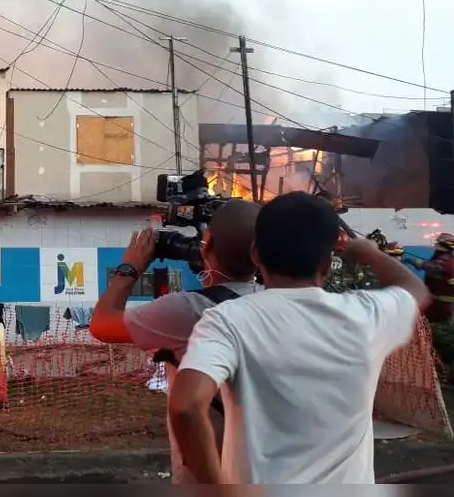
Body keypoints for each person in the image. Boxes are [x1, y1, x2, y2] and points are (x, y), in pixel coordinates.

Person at [169, 191, 431, 484]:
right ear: (328, 260)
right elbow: (416, 290)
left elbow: (186, 406)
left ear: (256, 254)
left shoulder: (229, 320)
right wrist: (369, 252)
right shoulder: (366, 315)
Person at [88, 199, 262, 484]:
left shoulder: (188, 311)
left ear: (207, 242)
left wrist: (130, 267)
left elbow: (101, 324)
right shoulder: (275, 305)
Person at [404, 233, 454, 324]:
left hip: (440, 305)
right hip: (437, 303)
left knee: (438, 328)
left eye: (438, 243)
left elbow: (434, 267)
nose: (436, 245)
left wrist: (416, 262)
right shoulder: (444, 257)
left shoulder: (445, 259)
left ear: (443, 245)